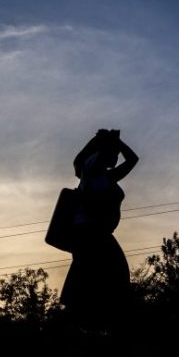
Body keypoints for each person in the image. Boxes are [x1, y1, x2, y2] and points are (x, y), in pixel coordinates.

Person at [60, 129, 138, 333]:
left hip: (99, 234)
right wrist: (104, 140)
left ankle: (97, 322)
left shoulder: (108, 177)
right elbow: (93, 155)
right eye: (113, 153)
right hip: (89, 233)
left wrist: (116, 141)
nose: (116, 157)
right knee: (104, 275)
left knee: (109, 277)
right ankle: (85, 323)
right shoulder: (92, 170)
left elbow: (133, 159)